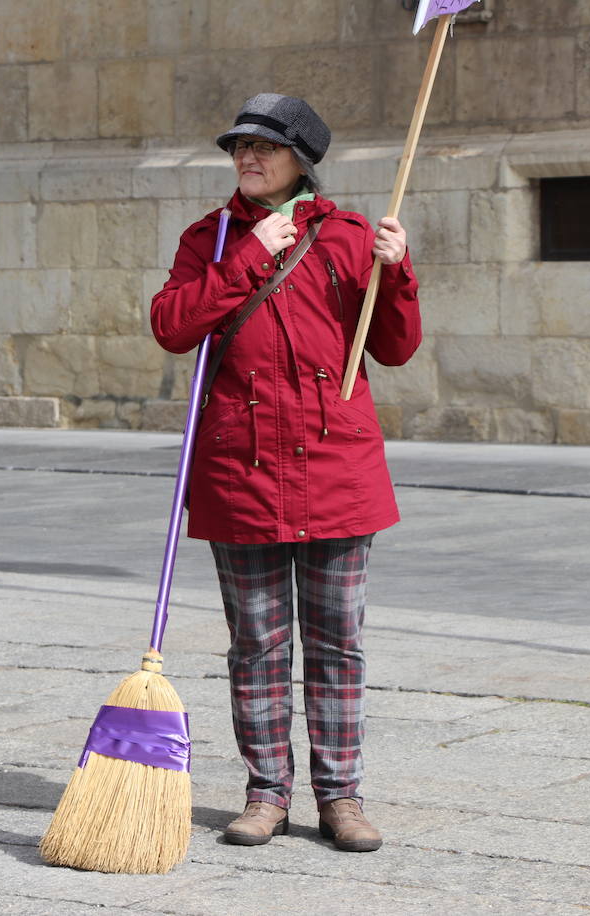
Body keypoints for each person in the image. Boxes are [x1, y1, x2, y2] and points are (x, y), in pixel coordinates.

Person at [150, 93, 421, 853]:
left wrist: (396, 275)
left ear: (302, 158)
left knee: (338, 644)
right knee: (257, 644)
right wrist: (246, 259)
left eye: (264, 146)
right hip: (242, 469)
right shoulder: (209, 241)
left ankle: (341, 797)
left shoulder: (349, 236)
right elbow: (172, 326)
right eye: (239, 145)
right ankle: (266, 791)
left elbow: (395, 348)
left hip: (337, 469)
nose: (247, 156)